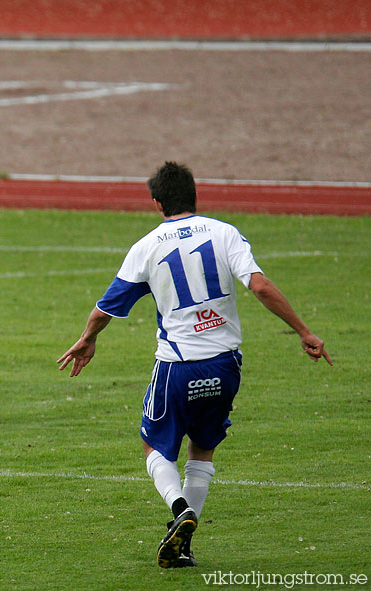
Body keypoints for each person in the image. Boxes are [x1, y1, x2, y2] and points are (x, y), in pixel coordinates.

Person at [57, 162, 332, 568]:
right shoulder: (224, 233)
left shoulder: (147, 246)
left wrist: (88, 338)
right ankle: (183, 546)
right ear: (195, 196)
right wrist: (304, 331)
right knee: (202, 450)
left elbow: (106, 307)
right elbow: (259, 285)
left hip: (178, 366)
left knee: (153, 444)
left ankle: (180, 509)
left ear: (156, 203)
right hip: (225, 366)